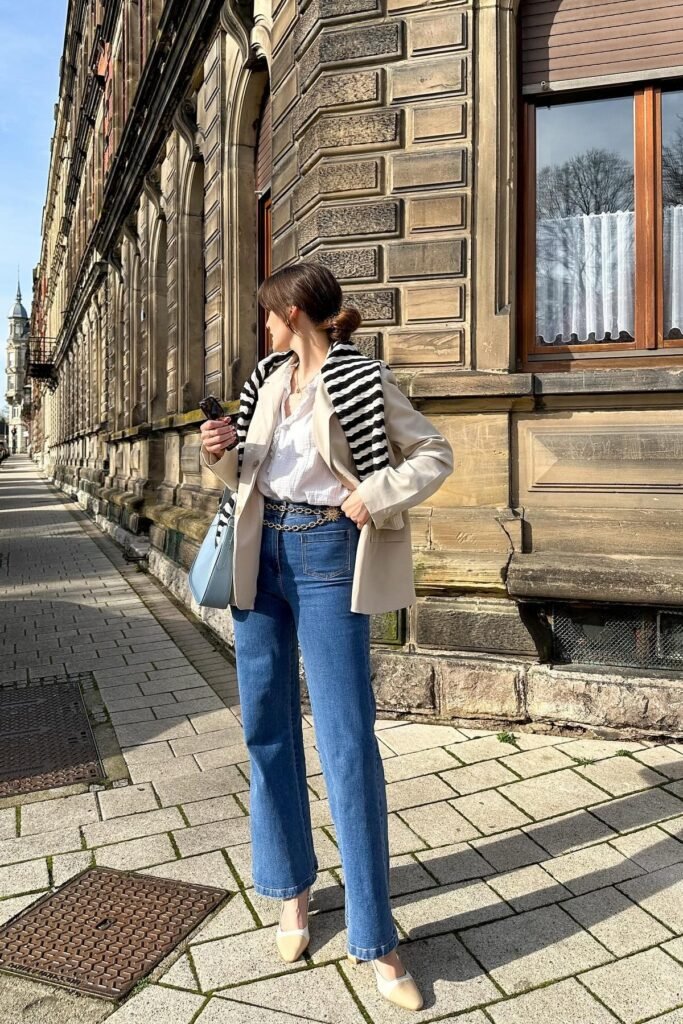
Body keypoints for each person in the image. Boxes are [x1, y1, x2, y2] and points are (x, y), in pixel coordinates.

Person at [199, 261, 454, 1011]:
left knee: (347, 741)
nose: (264, 327)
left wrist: (374, 496)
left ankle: (376, 937)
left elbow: (432, 453)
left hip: (327, 555)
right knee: (265, 730)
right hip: (260, 554)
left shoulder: (359, 379)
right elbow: (243, 473)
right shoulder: (266, 382)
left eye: (271, 315)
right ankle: (291, 892)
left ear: (297, 312)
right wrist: (217, 450)